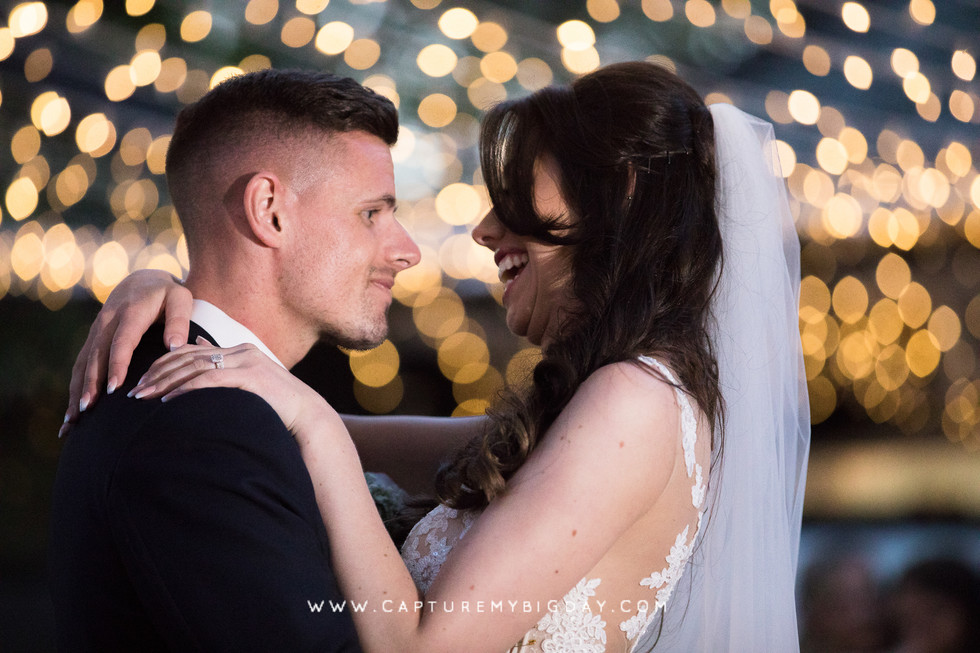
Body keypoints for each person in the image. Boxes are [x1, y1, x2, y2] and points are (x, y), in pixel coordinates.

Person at [63, 61, 809, 651]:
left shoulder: (634, 401)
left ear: (612, 196)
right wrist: (173, 292)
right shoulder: (610, 405)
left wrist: (306, 421)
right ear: (268, 210)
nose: (482, 230)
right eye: (372, 213)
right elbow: (292, 425)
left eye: (516, 194)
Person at [48, 68, 421, 651]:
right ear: (269, 209)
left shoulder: (228, 407)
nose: (407, 251)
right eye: (371, 213)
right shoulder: (201, 426)